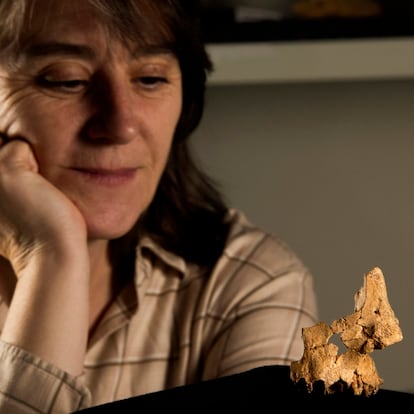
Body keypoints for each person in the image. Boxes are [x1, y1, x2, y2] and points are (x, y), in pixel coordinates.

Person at [0, 0, 318, 412]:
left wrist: (51, 254)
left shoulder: (248, 283)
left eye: (150, 78)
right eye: (67, 80)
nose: (121, 125)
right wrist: (53, 260)